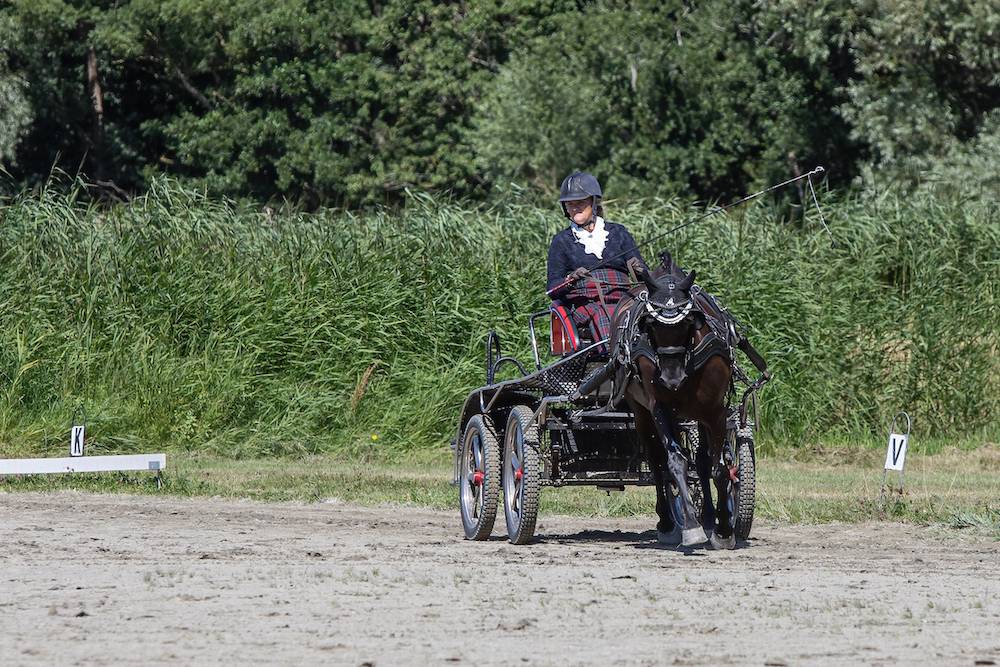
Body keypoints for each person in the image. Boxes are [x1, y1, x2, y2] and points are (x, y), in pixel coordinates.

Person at [546, 170, 647, 350]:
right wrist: (570, 279)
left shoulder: (618, 232)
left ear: (593, 202)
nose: (575, 208)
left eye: (580, 203)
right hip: (585, 304)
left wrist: (639, 269)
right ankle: (615, 355)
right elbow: (552, 289)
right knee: (604, 313)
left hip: (624, 298)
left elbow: (644, 276)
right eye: (570, 204)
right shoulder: (561, 241)